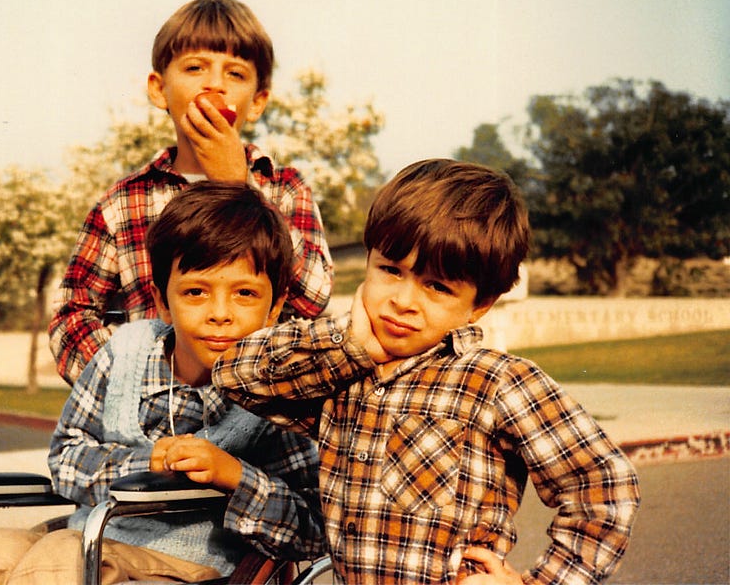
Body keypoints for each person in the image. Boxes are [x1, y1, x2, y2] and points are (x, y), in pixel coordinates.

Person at [213, 159, 641, 585]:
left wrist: (540, 583)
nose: (403, 300)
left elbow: (605, 483)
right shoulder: (340, 376)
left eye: (437, 286)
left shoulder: (495, 382)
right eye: (390, 270)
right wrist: (350, 344)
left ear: (479, 304)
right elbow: (234, 374)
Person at [0, 181, 326, 585]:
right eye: (196, 292)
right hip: (91, 539)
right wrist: (148, 462)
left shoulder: (284, 390)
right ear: (163, 299)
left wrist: (233, 475)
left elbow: (311, 528)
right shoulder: (124, 351)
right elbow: (65, 459)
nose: (220, 313)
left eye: (245, 294)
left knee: (62, 555)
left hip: (192, 566)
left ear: (275, 307)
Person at [48, 0, 333, 384]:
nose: (214, 83)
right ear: (159, 89)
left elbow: (311, 299)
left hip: (254, 410)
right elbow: (73, 311)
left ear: (258, 101)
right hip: (153, 409)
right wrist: (130, 381)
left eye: (235, 74)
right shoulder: (123, 203)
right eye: (195, 67)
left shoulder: (284, 189)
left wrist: (237, 186)